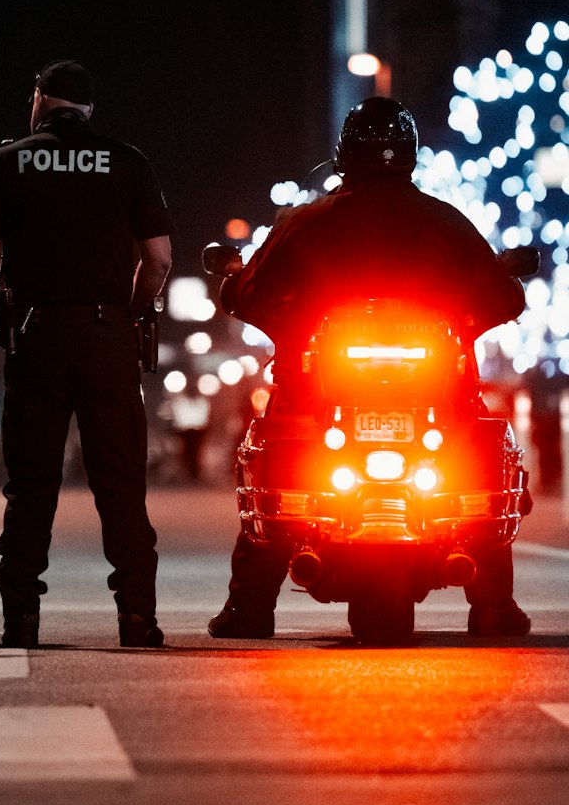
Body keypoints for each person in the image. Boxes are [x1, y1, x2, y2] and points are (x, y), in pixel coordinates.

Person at [208, 95, 532, 641]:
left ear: (344, 154)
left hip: (314, 395)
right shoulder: (445, 219)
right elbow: (504, 297)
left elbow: (249, 294)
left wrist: (248, 288)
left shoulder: (305, 221)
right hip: (435, 394)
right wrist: (469, 318)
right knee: (476, 450)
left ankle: (250, 607)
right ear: (409, 154)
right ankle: (494, 605)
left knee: (278, 450)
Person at [0, 58, 174, 647]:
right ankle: (137, 617)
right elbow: (158, 259)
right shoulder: (127, 161)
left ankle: (21, 619)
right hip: (108, 340)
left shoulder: (4, 162)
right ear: (88, 109)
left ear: (40, 99)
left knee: (31, 486)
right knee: (121, 483)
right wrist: (131, 314)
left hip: (37, 340)